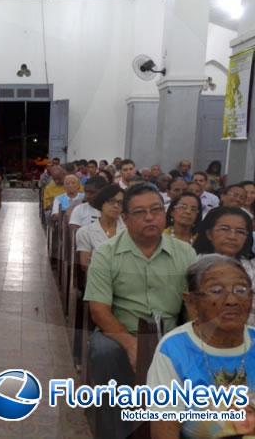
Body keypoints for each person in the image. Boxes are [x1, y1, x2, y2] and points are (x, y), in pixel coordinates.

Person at [83, 182, 197, 439]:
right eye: (140, 212)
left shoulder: (185, 253)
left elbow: (193, 305)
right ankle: (114, 431)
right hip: (120, 331)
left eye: (156, 210)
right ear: (125, 218)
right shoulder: (106, 253)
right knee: (103, 351)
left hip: (171, 332)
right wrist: (130, 344)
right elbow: (99, 310)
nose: (150, 217)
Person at [148, 255, 255, 439]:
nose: (232, 300)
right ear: (191, 302)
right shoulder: (174, 350)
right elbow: (164, 431)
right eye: (216, 290)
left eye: (241, 289)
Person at [193, 207, 255, 302]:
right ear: (209, 234)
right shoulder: (193, 263)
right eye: (224, 229)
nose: (232, 237)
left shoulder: (251, 268)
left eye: (240, 232)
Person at [75, 184, 125, 270]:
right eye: (111, 201)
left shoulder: (129, 231)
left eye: (120, 203)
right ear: (101, 203)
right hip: (98, 279)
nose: (116, 206)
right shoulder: (85, 232)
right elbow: (85, 265)